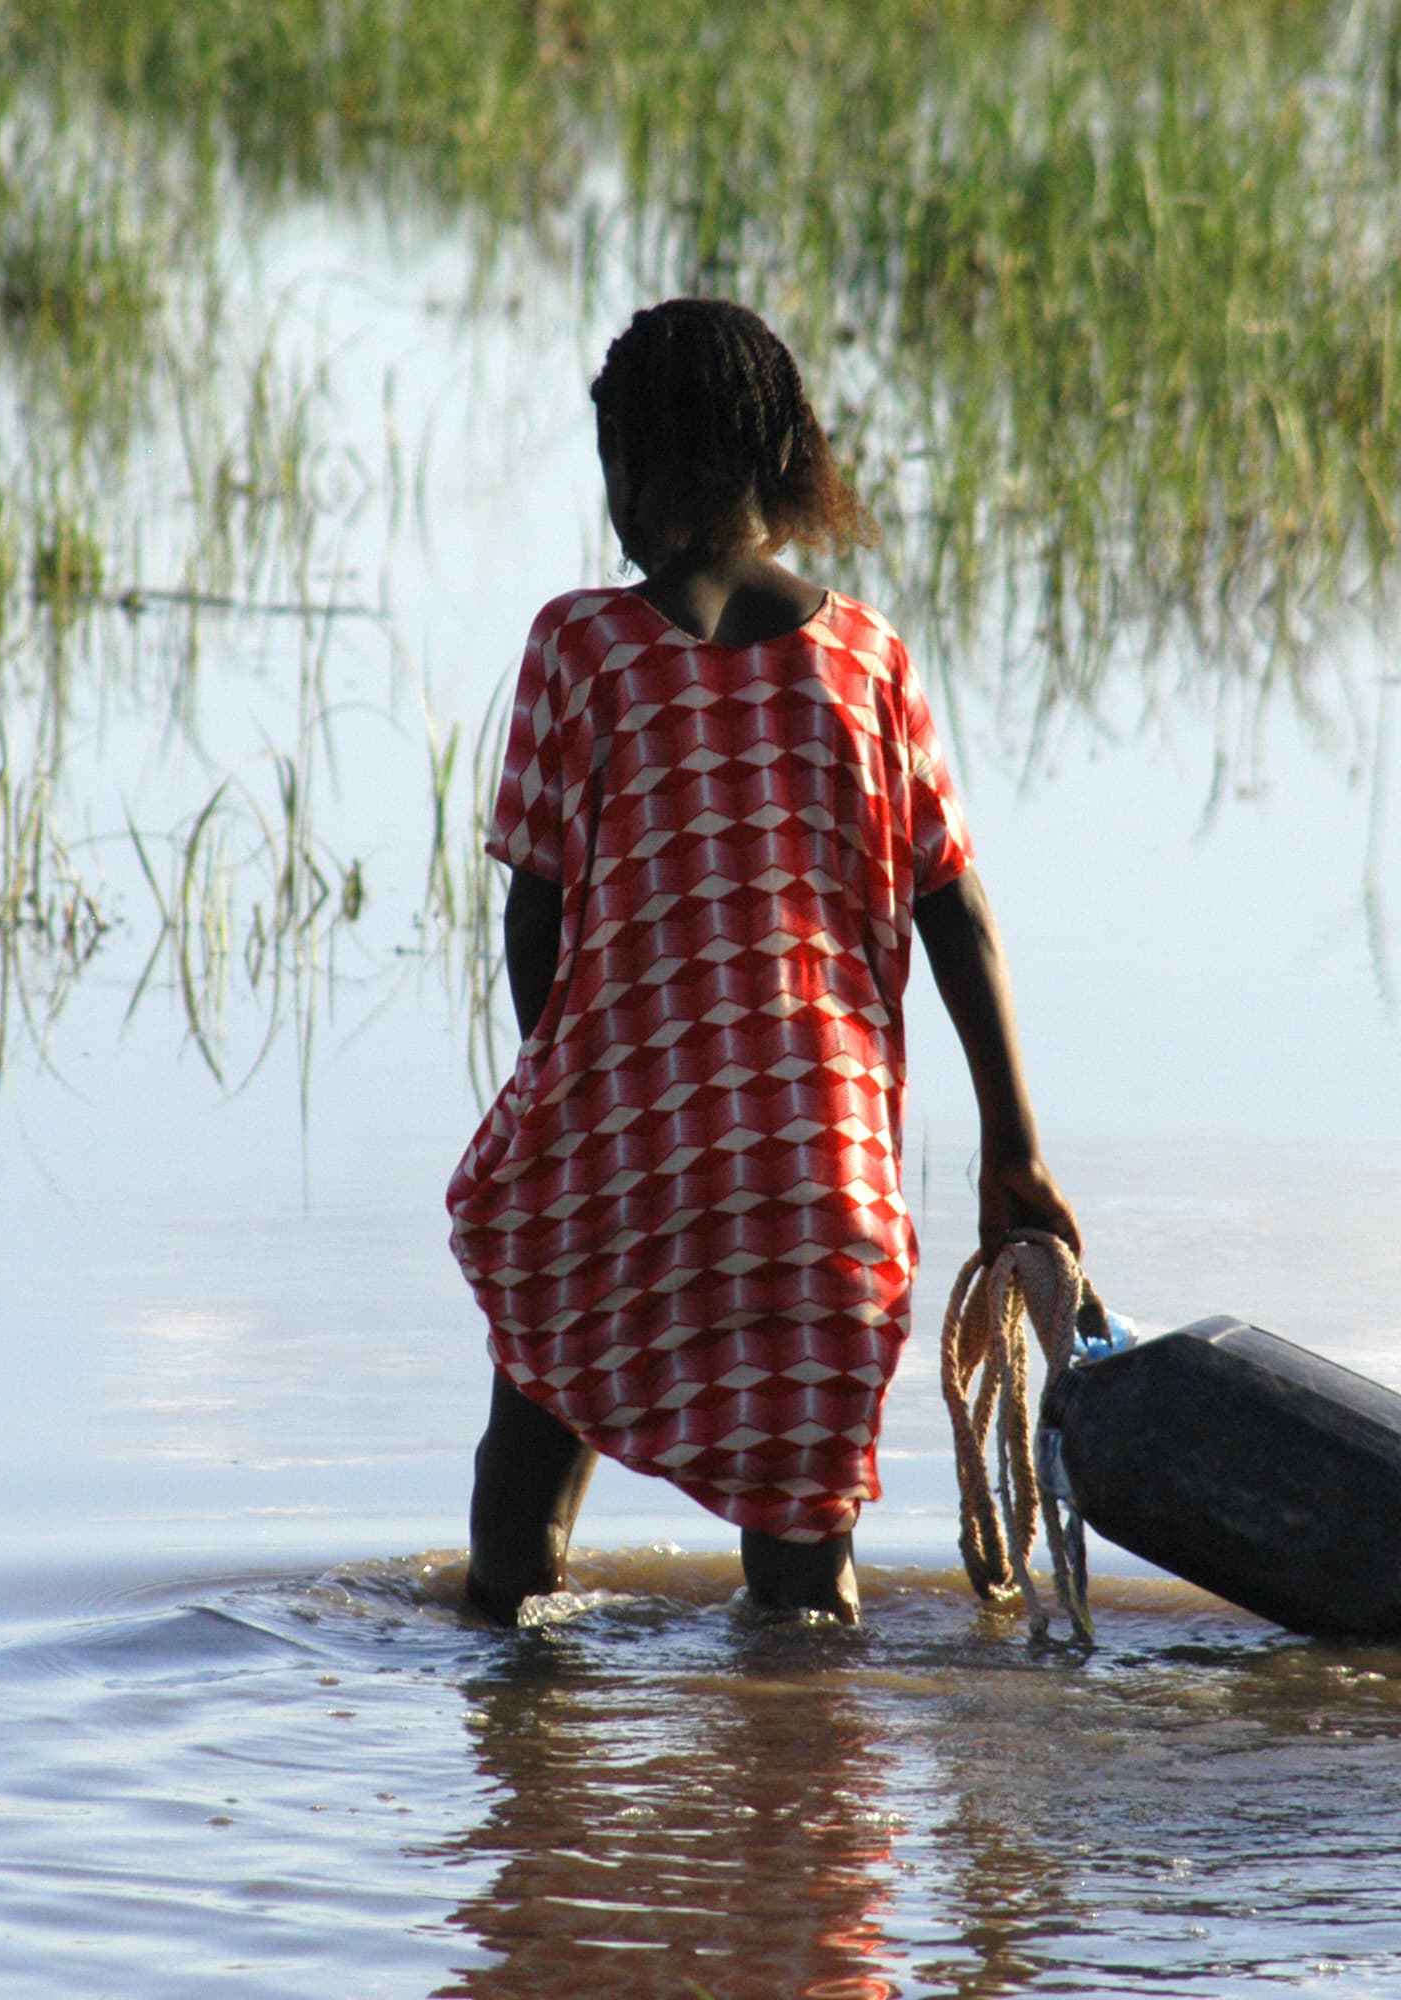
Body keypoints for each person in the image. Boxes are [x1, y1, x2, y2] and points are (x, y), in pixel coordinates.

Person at [447, 297, 1080, 1624]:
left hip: (628, 1149)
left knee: (525, 1478)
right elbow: (959, 918)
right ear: (786, 461)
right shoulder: (870, 664)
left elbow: (533, 920)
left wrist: (560, 1098)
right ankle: (800, 1777)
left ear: (632, 471)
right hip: (821, 1183)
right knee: (802, 1578)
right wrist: (1013, 1147)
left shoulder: (582, 649)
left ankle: (524, 1736)